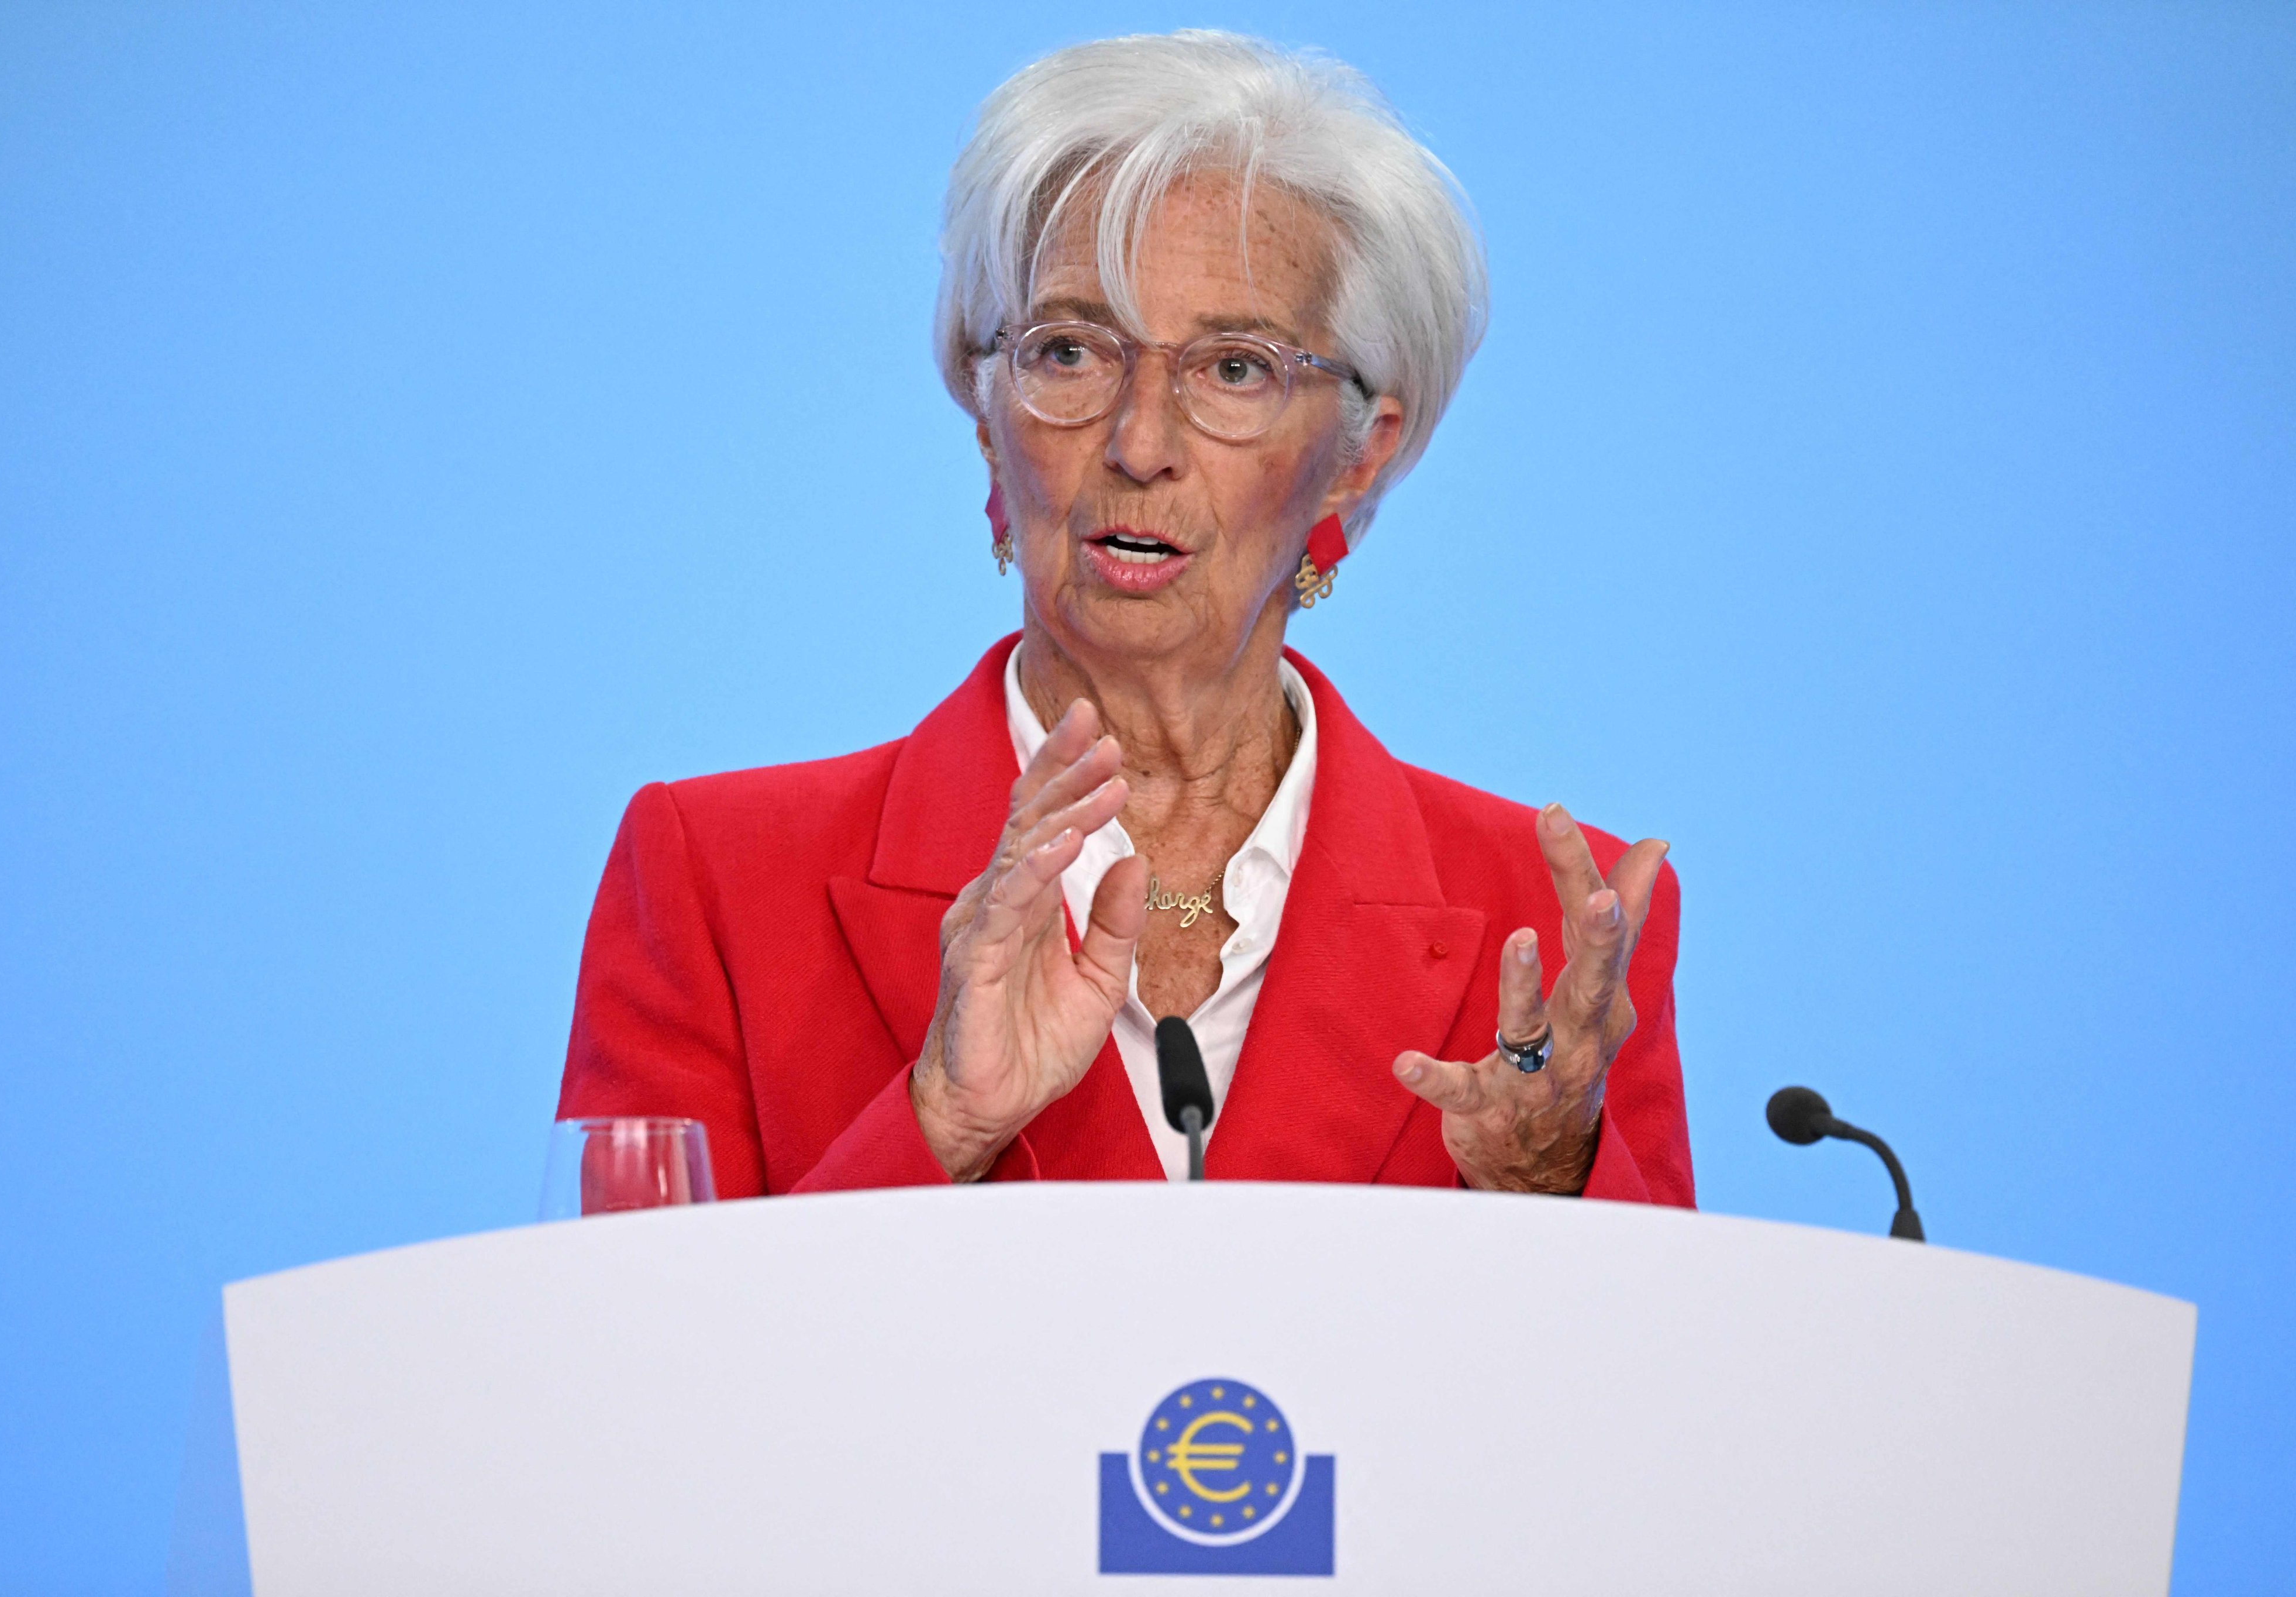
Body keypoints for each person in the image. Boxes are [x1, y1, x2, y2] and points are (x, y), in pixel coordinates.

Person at [557, 30, 1691, 1203]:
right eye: (1067, 351)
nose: (1138, 443)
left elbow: (1659, 1376)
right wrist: (939, 1122)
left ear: (1359, 455)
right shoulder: (718, 882)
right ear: (983, 412)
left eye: (1235, 369)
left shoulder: (1560, 928)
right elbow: (631, 1369)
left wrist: (1549, 1176)